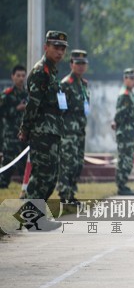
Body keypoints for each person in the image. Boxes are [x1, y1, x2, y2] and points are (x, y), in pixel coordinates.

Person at [18, 31, 68, 202]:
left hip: (53, 132)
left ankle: (37, 216)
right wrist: (25, 129)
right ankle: (31, 218)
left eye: (63, 48)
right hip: (42, 132)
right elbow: (32, 105)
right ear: (46, 47)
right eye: (56, 47)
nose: (60, 52)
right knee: (41, 176)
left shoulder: (52, 72)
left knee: (51, 177)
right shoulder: (41, 71)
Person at [57, 50, 90, 203]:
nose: (81, 67)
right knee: (67, 163)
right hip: (68, 132)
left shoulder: (83, 85)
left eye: (83, 64)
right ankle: (65, 194)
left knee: (78, 163)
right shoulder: (65, 84)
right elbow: (60, 109)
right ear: (71, 64)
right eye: (78, 63)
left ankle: (71, 193)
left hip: (80, 130)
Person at [112, 68, 134, 196]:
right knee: (125, 160)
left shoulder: (131, 93)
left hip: (130, 131)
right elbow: (119, 115)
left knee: (128, 159)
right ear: (125, 79)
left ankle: (123, 184)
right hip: (125, 132)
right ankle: (121, 186)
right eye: (131, 78)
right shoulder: (125, 95)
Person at [0, 65, 28, 189]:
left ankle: (26, 188)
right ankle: (2, 185)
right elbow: (2, 113)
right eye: (18, 76)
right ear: (13, 77)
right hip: (10, 136)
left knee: (25, 165)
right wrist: (16, 109)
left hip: (25, 136)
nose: (21, 78)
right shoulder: (6, 95)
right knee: (8, 163)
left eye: (23, 75)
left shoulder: (29, 95)